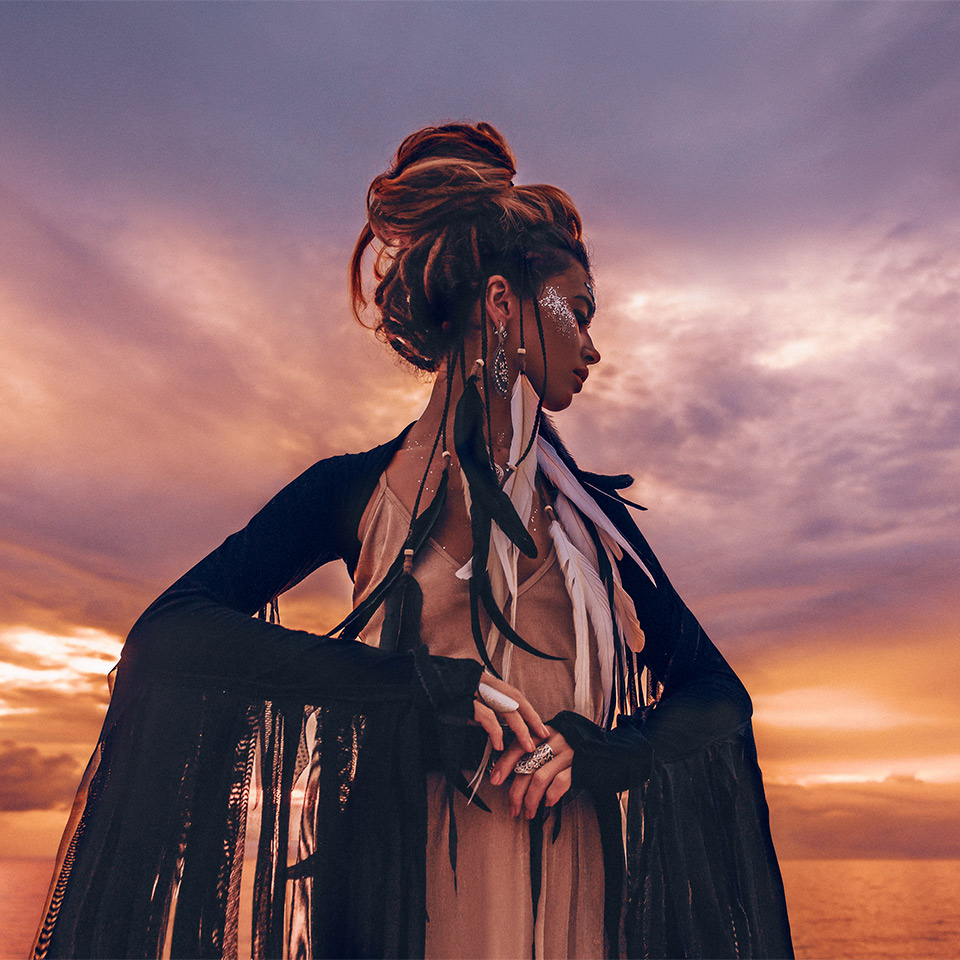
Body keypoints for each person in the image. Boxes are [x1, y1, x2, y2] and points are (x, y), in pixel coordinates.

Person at [33, 122, 793, 960]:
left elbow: (719, 698)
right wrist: (420, 686)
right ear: (504, 302)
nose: (593, 344)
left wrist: (601, 755)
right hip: (411, 906)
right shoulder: (354, 491)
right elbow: (169, 638)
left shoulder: (596, 528)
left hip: (577, 909)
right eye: (574, 313)